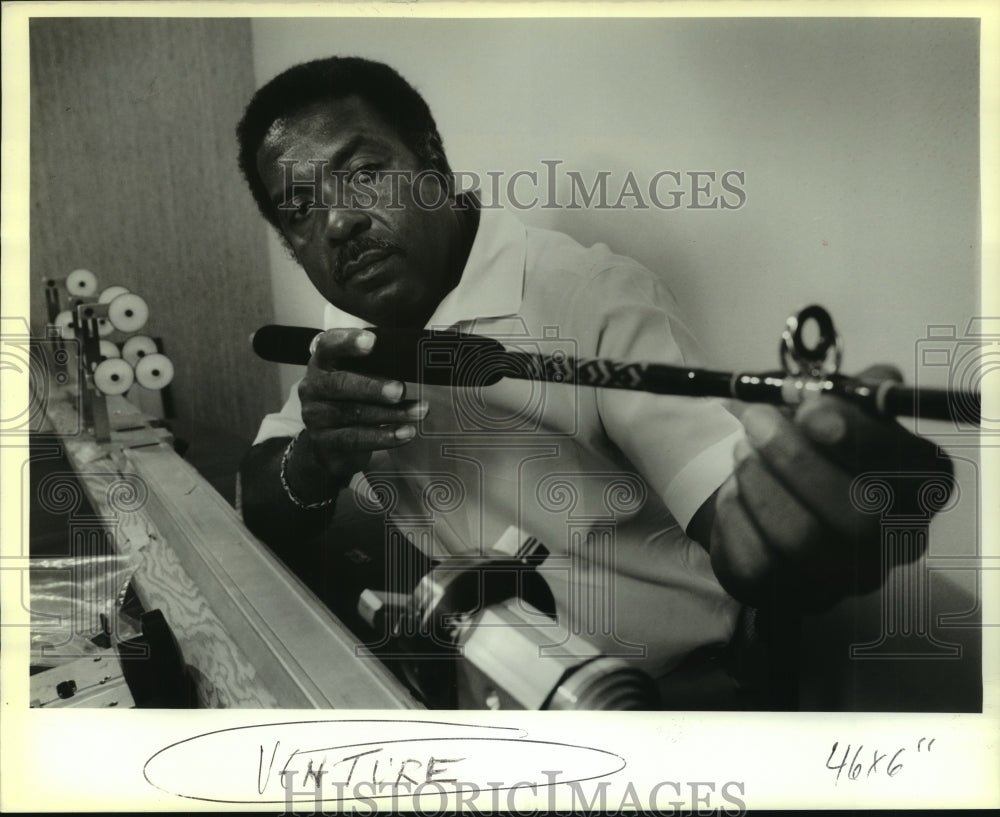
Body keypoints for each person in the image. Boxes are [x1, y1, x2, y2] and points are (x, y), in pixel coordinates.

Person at [235, 56, 951, 706]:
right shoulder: (349, 319)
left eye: (363, 173)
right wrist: (316, 456)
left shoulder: (595, 297)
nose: (337, 222)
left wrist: (804, 524)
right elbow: (260, 495)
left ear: (431, 160)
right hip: (488, 675)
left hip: (663, 697)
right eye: (297, 211)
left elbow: (736, 522)